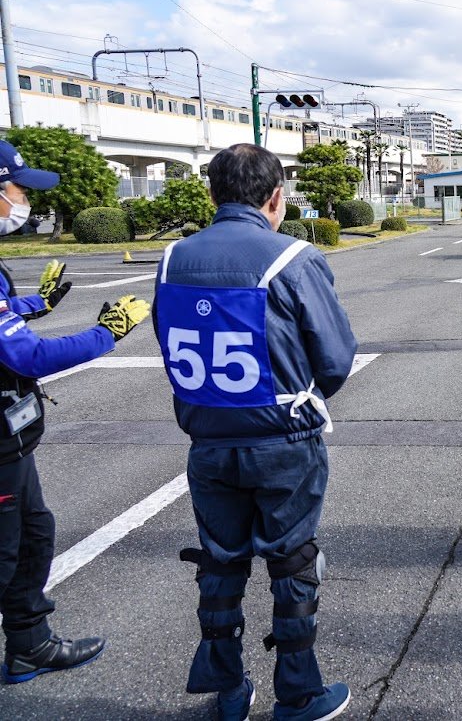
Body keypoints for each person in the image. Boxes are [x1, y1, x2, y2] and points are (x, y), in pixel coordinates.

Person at [153, 144, 356, 721]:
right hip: (283, 441)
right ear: (275, 198)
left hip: (207, 439)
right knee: (291, 562)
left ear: (214, 195)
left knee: (221, 561)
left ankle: (228, 688)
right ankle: (297, 692)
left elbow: (169, 339)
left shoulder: (173, 259)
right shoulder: (293, 257)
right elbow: (336, 363)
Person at [0, 140, 150, 684]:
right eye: (16, 189)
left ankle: (29, 646)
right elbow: (26, 355)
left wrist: (33, 304)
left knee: (33, 534)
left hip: (12, 440)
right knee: (6, 550)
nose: (24, 202)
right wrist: (104, 333)